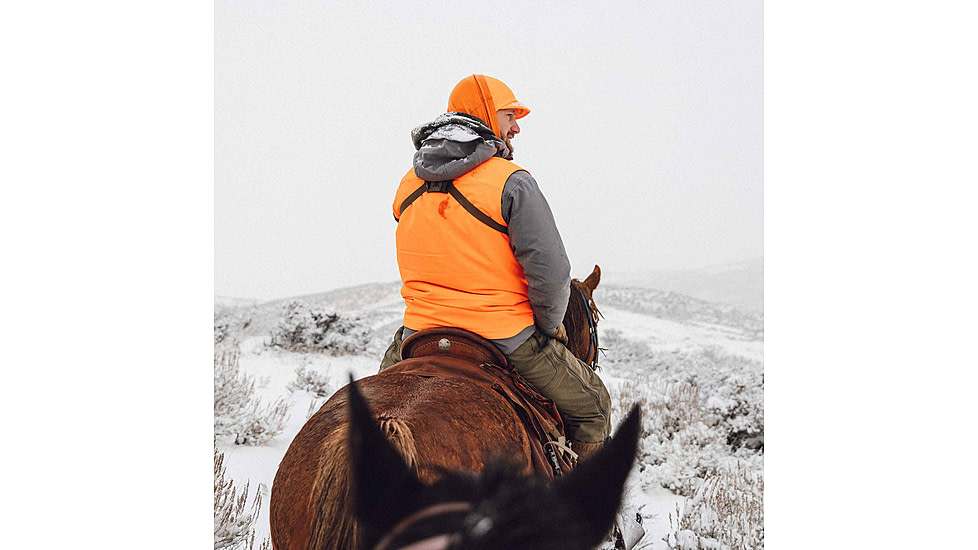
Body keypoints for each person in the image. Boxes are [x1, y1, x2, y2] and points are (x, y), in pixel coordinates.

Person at [379, 74, 611, 461]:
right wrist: (552, 324)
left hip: (419, 330)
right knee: (594, 407)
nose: (516, 127)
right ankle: (586, 514)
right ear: (485, 114)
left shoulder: (408, 184)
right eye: (509, 115)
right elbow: (550, 270)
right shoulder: (512, 182)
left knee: (373, 405)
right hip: (505, 335)